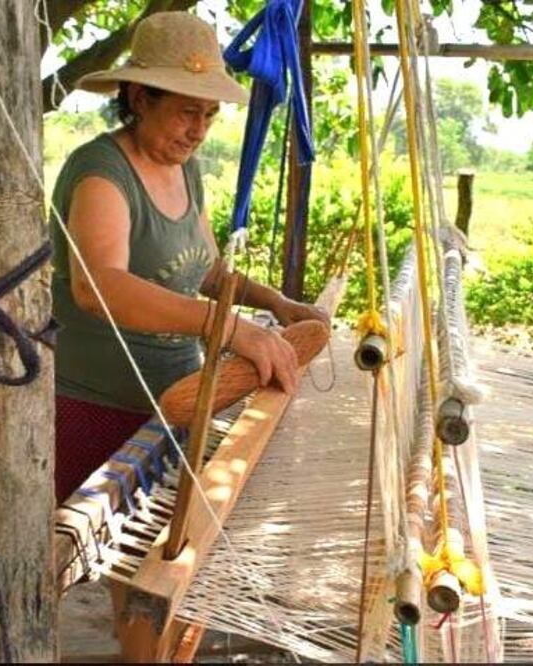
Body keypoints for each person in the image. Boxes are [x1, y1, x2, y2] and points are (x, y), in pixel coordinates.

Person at [51, 11, 329, 503]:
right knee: (73, 551)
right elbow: (96, 287)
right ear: (140, 99)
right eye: (186, 112)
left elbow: (209, 271)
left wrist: (278, 304)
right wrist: (227, 327)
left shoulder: (185, 168)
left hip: (180, 399)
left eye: (209, 115)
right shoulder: (101, 171)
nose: (199, 130)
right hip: (98, 404)